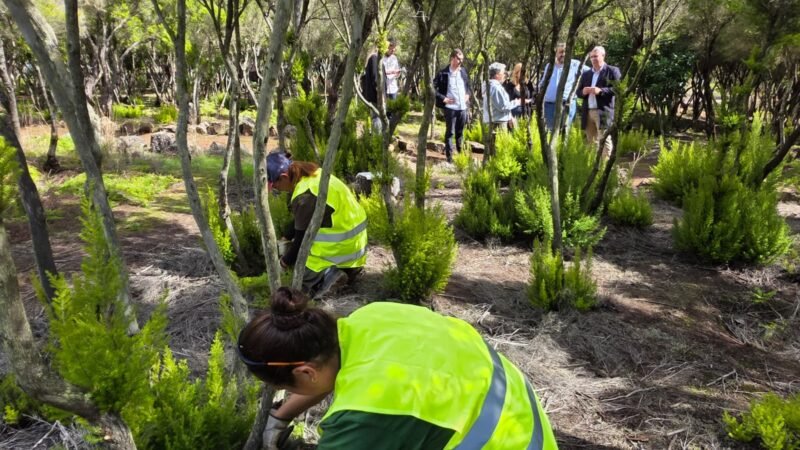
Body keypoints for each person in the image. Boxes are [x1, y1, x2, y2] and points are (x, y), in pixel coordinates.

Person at [238, 288, 558, 450]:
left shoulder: (360, 420)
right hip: (522, 419)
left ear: (306, 372)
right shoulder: (371, 318)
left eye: (290, 389)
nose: (292, 396)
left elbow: (362, 409)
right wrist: (281, 416)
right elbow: (326, 375)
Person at [267, 152, 367, 298]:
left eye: (275, 186)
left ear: (284, 177)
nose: (277, 190)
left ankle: (329, 274)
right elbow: (304, 218)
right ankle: (345, 271)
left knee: (301, 278)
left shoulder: (305, 196)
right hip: (357, 247)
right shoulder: (316, 175)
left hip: (342, 250)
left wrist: (283, 263)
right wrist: (286, 235)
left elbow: (300, 241)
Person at [576, 46, 621, 155]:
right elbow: (578, 92)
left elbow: (618, 89)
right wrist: (583, 92)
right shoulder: (586, 74)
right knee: (591, 142)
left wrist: (600, 91)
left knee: (605, 140)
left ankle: (605, 168)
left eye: (595, 56)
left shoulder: (612, 71)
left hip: (603, 111)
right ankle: (593, 168)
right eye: (591, 57)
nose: (593, 59)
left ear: (603, 56)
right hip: (588, 112)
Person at [539, 43, 587, 133]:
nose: (563, 54)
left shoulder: (575, 64)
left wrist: (582, 88)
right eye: (561, 52)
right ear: (556, 53)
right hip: (549, 105)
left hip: (567, 105)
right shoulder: (549, 66)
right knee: (550, 132)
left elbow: (591, 73)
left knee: (565, 133)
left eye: (566, 52)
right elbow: (542, 83)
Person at [434, 49, 472, 163]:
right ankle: (449, 158)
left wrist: (468, 95)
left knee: (460, 133)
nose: (460, 61)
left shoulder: (463, 72)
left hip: (462, 108)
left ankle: (460, 156)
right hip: (450, 109)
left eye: (462, 59)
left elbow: (468, 86)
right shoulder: (443, 74)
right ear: (452, 58)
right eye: (459, 59)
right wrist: (443, 98)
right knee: (450, 132)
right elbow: (432, 88)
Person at [483, 62, 523, 130]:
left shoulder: (491, 86)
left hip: (495, 121)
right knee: (497, 140)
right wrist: (517, 102)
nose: (505, 75)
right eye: (503, 73)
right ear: (497, 75)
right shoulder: (495, 88)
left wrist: (509, 117)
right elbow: (503, 106)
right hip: (497, 123)